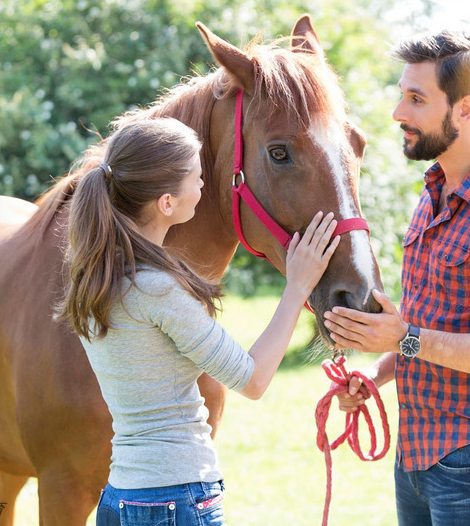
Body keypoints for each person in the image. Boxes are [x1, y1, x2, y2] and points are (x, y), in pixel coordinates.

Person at [56, 116, 340, 526]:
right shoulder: (158, 291)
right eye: (196, 178)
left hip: (121, 498)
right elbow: (252, 379)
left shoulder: (98, 280)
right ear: (166, 202)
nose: (205, 187)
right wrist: (297, 287)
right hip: (175, 497)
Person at [323, 30, 470, 525]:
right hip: (417, 458)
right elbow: (426, 323)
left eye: (416, 99)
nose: (398, 113)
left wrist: (405, 340)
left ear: (464, 109)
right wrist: (377, 373)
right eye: (402, 95)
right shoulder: (433, 194)